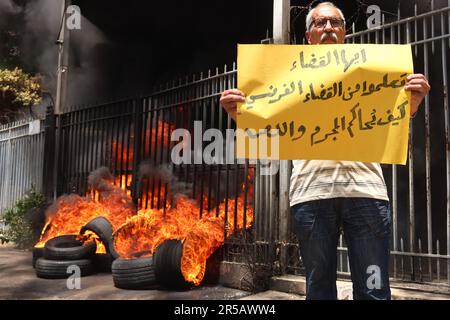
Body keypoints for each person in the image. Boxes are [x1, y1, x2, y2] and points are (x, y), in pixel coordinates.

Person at [219, 2, 430, 300]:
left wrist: (415, 99)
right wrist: (241, 115)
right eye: (320, 23)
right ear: (308, 35)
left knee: (374, 290)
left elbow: (395, 117)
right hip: (312, 194)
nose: (328, 27)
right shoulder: (284, 77)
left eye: (335, 22)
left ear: (344, 33)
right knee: (318, 291)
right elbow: (267, 133)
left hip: (366, 193)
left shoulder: (372, 73)